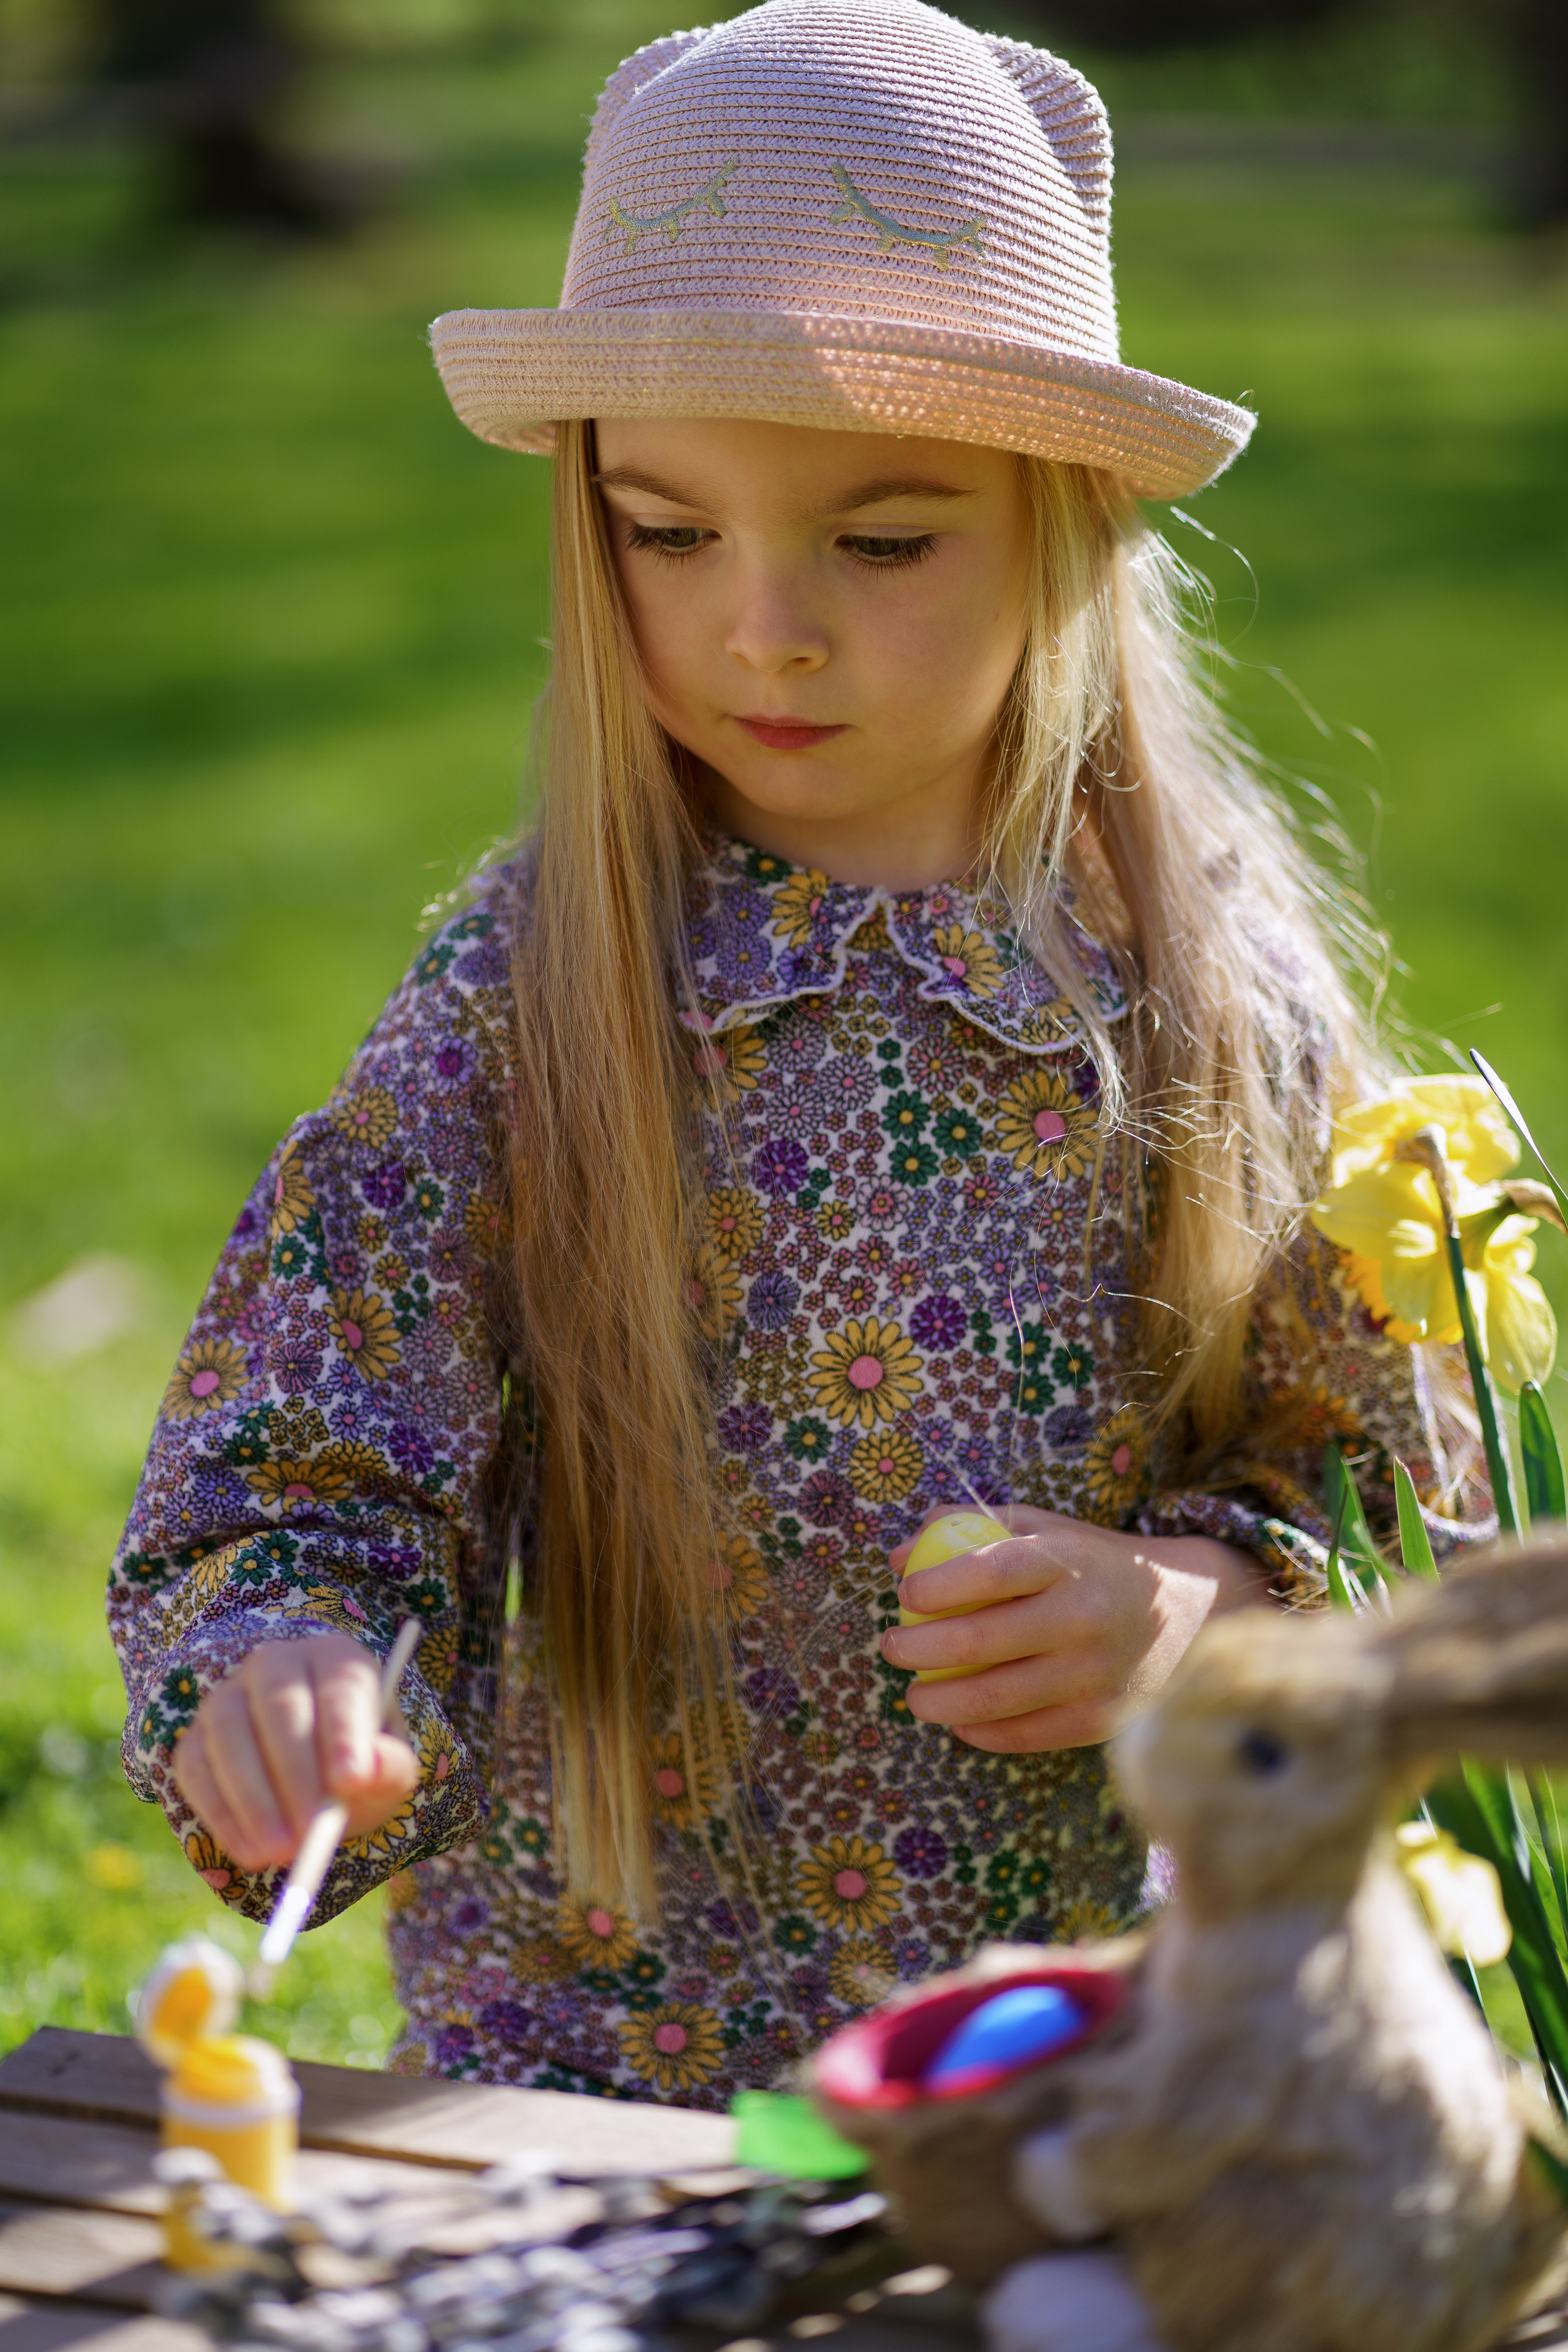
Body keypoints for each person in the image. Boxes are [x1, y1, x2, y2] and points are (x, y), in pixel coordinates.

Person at [108, 0, 1491, 2102]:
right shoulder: (539, 988)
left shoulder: (1207, 993)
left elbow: (1394, 1500)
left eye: (880, 537)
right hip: (593, 2062)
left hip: (1102, 2059)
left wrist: (1195, 1609)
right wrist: (288, 1671)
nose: (766, 627)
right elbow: (311, 1456)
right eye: (670, 534)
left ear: (1068, 523)